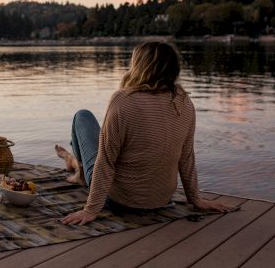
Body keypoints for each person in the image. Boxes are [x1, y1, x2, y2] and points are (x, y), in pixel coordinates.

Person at [57, 42, 232, 226]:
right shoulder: (184, 103)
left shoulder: (123, 100)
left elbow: (106, 161)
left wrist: (91, 209)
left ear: (139, 66)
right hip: (160, 201)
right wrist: (196, 199)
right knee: (113, 139)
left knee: (82, 116)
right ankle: (76, 165)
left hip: (119, 201)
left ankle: (82, 174)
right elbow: (186, 157)